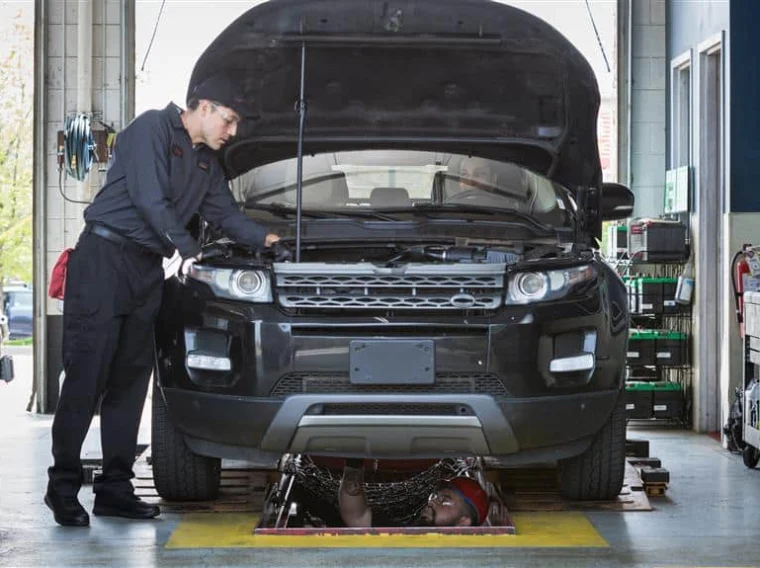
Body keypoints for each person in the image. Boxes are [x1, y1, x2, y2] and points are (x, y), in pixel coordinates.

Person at [45, 75, 282, 527]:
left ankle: (114, 489)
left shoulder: (207, 166)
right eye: (228, 121)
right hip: (103, 260)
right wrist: (189, 251)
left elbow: (226, 216)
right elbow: (150, 201)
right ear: (205, 108)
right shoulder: (150, 129)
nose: (231, 132)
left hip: (146, 269)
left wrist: (268, 240)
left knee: (131, 384)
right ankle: (62, 488)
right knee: (85, 377)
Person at [338, 459, 490, 527]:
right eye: (435, 495)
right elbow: (356, 516)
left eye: (446, 499)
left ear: (464, 522)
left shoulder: (466, 557)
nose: (432, 501)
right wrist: (354, 464)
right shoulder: (400, 534)